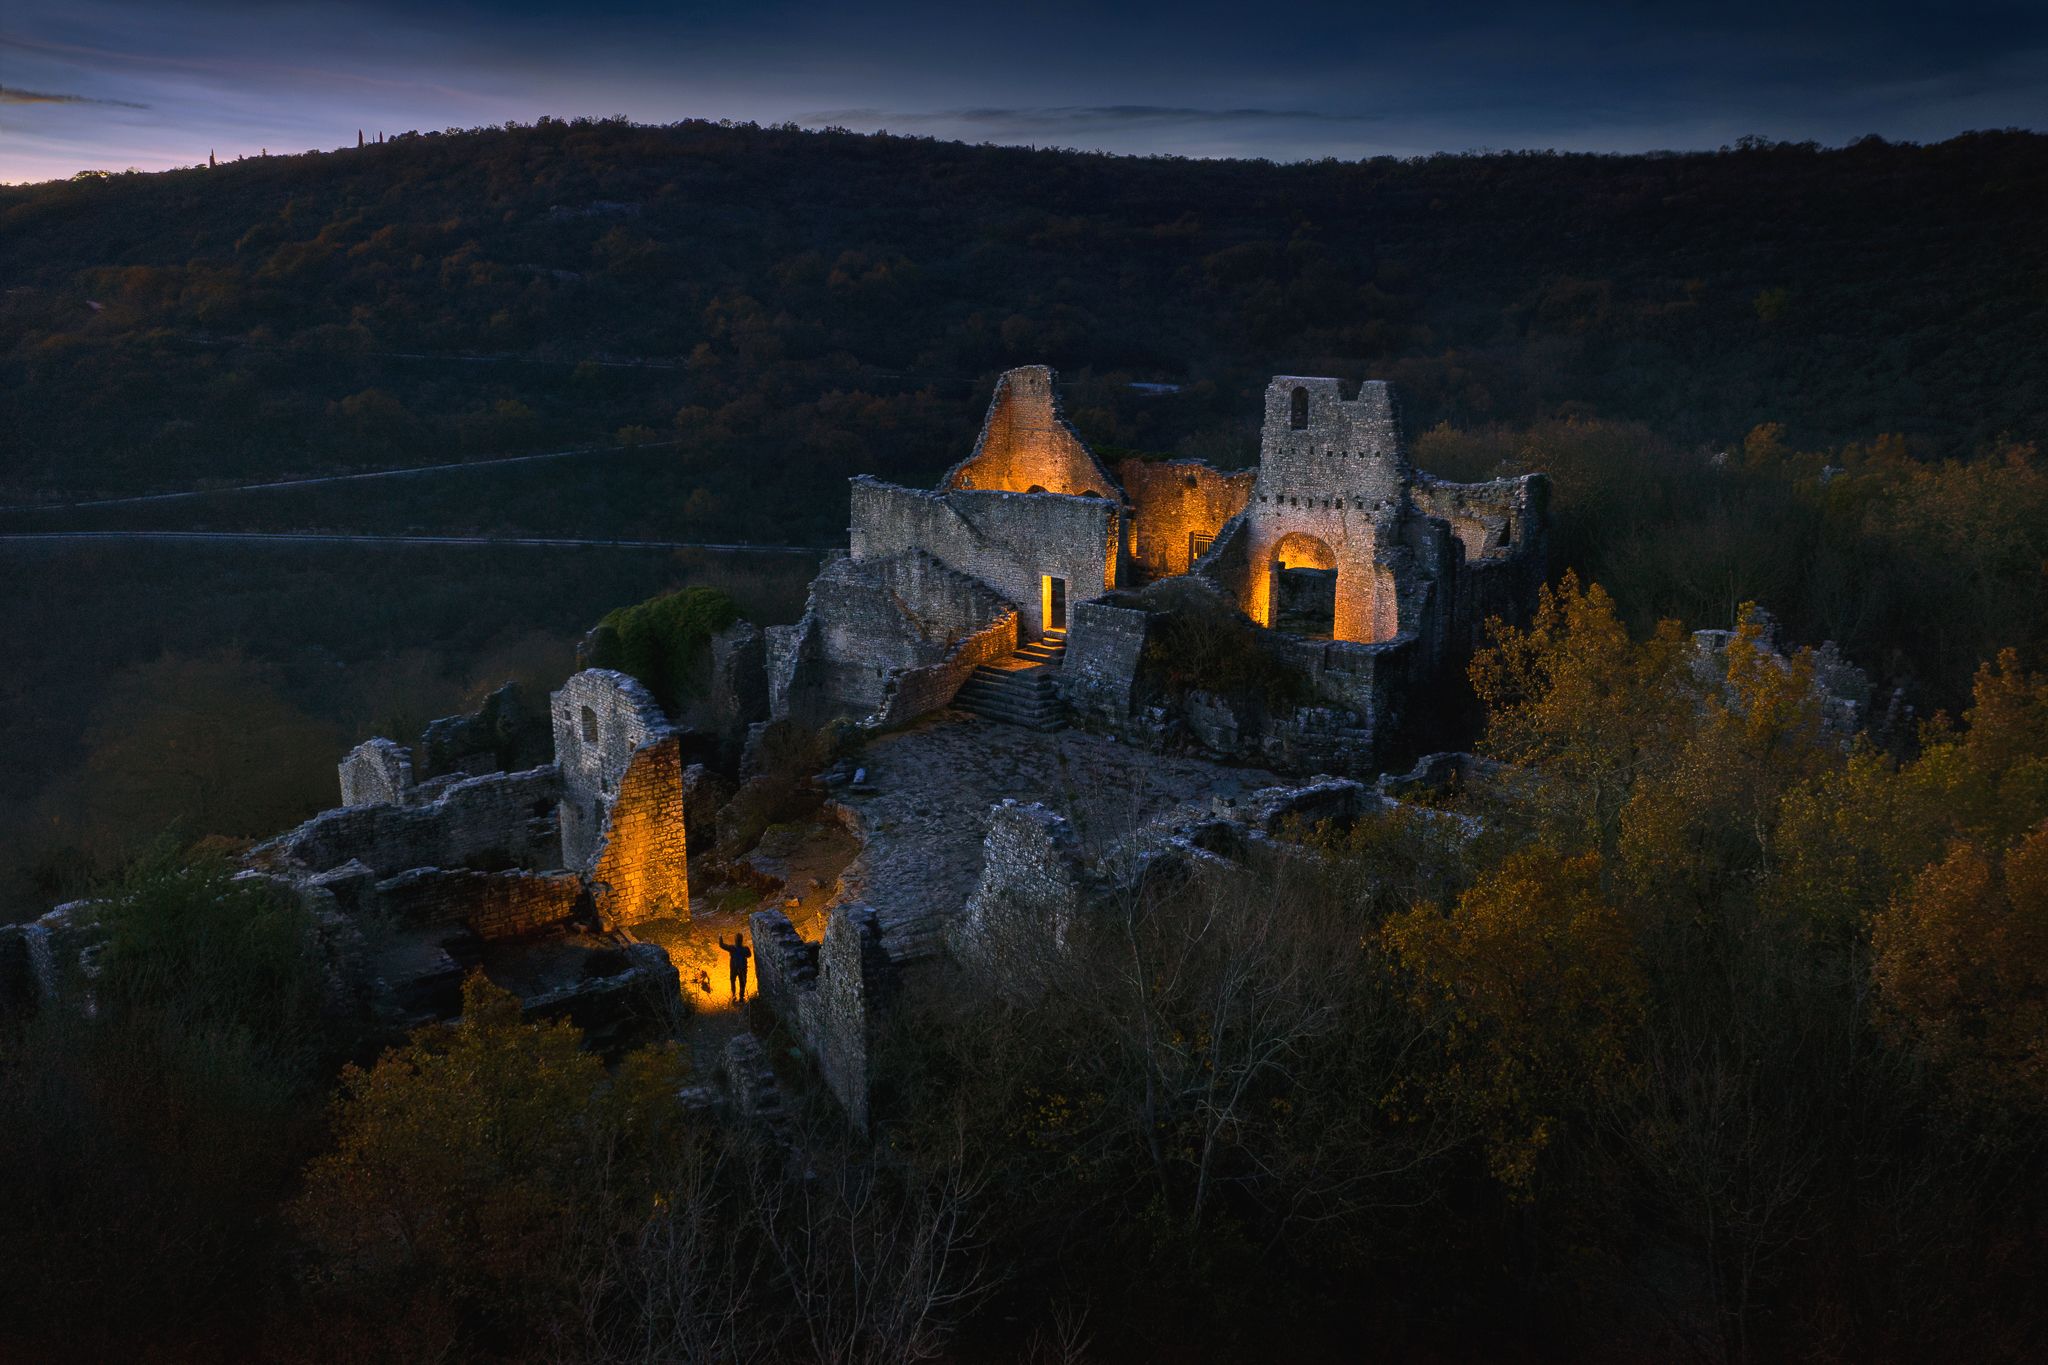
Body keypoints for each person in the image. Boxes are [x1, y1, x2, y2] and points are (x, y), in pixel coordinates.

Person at [717, 932, 752, 1003]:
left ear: (735, 940)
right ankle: (741, 998)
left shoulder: (732, 948)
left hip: (734, 969)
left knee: (733, 982)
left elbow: (721, 945)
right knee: (742, 983)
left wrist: (720, 936)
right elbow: (749, 955)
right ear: (742, 940)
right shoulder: (745, 949)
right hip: (743, 969)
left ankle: (733, 997)